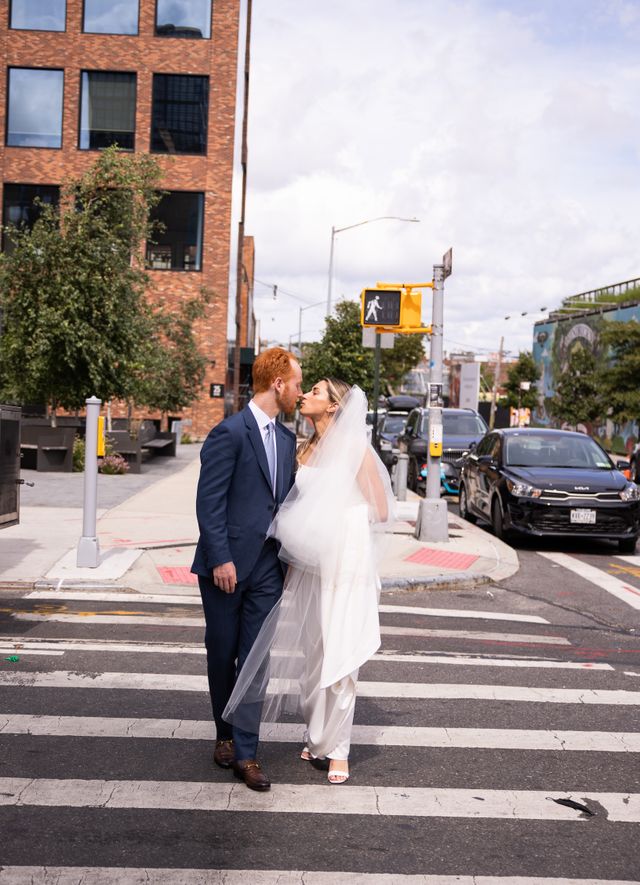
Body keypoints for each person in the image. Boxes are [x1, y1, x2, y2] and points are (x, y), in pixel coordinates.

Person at [223, 378, 394, 784]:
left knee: (341, 655)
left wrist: (333, 524)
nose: (305, 396)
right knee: (314, 657)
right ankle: (318, 735)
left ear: (334, 407)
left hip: (345, 564)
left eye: (316, 392)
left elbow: (381, 510)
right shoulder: (302, 450)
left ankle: (339, 749)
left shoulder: (354, 450)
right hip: (309, 567)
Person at [191, 347, 302, 792]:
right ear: (277, 383)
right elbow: (209, 501)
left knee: (256, 661)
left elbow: (286, 505)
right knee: (223, 655)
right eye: (296, 382)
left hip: (268, 569)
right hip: (226, 566)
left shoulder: (289, 439)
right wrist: (220, 557)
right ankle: (223, 732)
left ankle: (246, 752)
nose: (298, 390)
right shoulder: (230, 433)